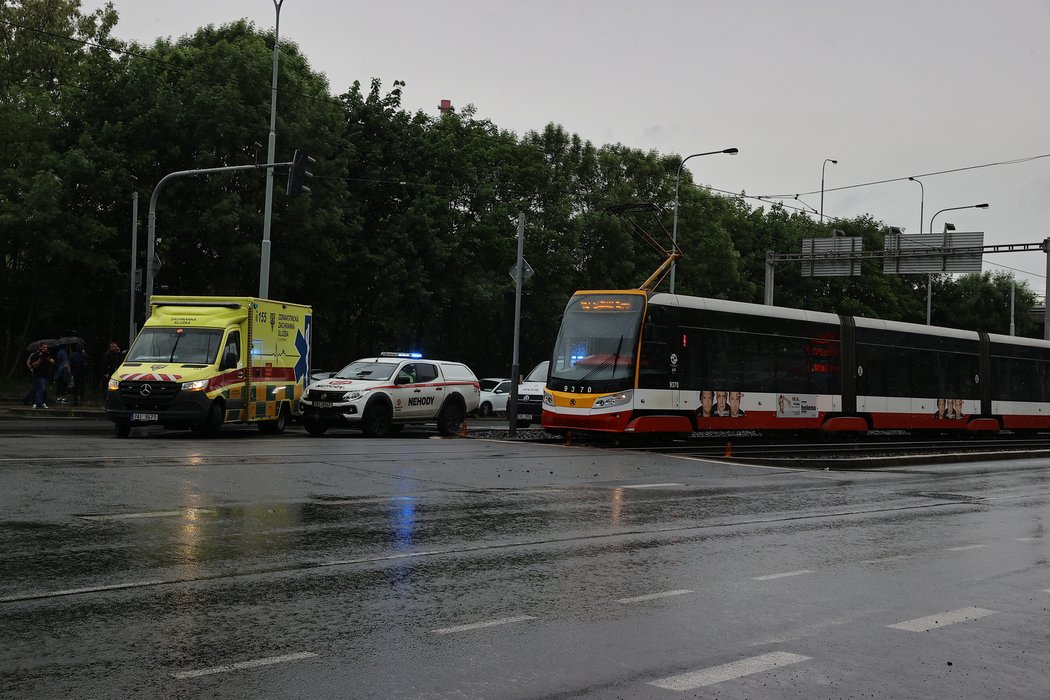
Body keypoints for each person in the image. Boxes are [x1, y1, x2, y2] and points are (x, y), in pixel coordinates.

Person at [26, 342, 55, 409]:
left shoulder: (48, 354)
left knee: (45, 390)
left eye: (46, 347)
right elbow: (34, 365)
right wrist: (41, 358)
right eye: (44, 347)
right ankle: (37, 403)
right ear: (40, 347)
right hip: (38, 375)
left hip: (46, 375)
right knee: (40, 389)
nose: (45, 349)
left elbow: (53, 362)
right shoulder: (35, 354)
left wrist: (48, 358)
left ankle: (43, 402)